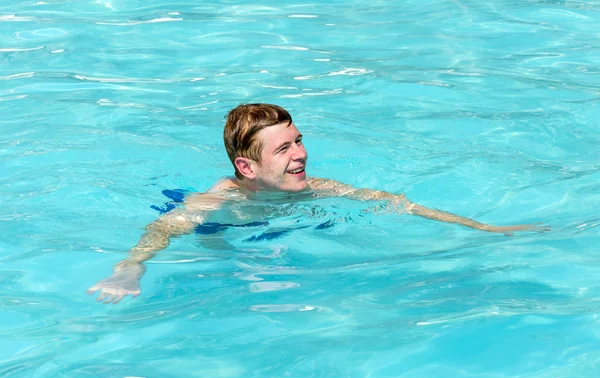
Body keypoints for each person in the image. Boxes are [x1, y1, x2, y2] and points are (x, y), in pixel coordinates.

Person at [88, 103, 545, 304]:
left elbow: (399, 203)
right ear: (247, 168)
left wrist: (488, 230)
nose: (301, 154)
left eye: (299, 140)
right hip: (225, 230)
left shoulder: (316, 185)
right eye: (284, 149)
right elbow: (166, 229)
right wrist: (130, 268)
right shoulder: (217, 197)